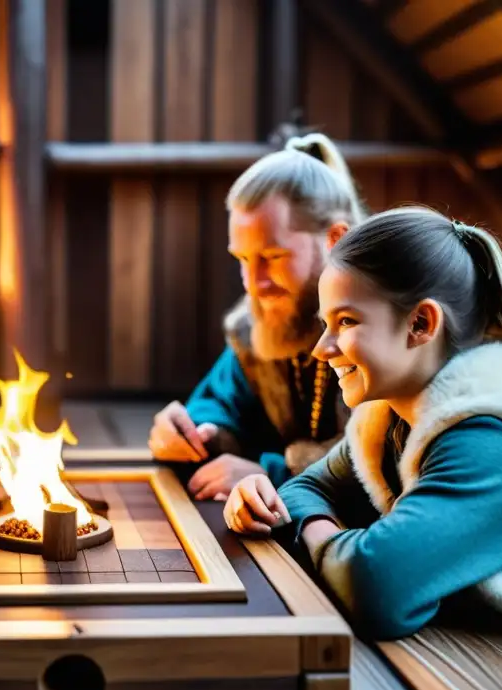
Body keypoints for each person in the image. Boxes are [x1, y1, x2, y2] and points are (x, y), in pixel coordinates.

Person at [223, 207, 502, 673]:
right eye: (326, 323)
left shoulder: (493, 442)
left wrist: (317, 530)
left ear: (420, 325)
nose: (321, 347)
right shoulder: (390, 418)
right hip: (479, 659)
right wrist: (278, 507)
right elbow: (305, 489)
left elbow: (374, 586)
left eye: (346, 322)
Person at [148, 132, 366, 500]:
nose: (253, 284)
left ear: (336, 240)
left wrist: (271, 473)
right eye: (244, 259)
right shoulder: (259, 325)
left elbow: (385, 460)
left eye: (273, 257)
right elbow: (218, 402)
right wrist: (193, 433)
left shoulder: (382, 329)